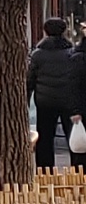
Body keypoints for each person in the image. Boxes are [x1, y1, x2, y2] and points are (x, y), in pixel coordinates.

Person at [29, 17, 81, 170]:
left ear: (45, 31)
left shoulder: (38, 55)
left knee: (45, 138)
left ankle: (45, 171)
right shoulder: (71, 53)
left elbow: (30, 79)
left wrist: (26, 99)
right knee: (74, 136)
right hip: (68, 101)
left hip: (45, 102)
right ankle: (77, 170)